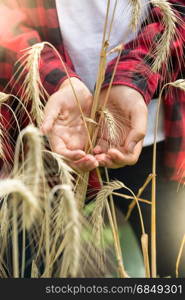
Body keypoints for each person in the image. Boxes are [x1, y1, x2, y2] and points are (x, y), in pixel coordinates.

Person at [0, 0, 185, 277]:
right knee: (27, 270)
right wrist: (56, 81)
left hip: (161, 134)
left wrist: (132, 79)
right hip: (35, 135)